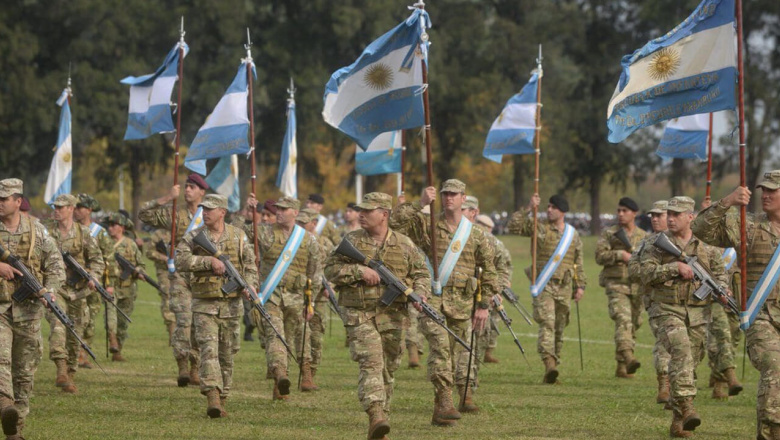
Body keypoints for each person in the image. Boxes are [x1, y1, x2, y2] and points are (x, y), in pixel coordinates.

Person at [390, 179, 499, 425]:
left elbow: (489, 272)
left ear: (463, 198)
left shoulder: (475, 233)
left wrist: (483, 307)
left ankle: (440, 409)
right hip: (432, 300)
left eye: (454, 194)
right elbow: (395, 222)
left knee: (455, 354)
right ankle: (447, 401)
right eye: (445, 193)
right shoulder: (428, 225)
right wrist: (419, 203)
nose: (449, 197)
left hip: (462, 302)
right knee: (440, 349)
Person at [325, 192, 430, 440]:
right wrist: (358, 271)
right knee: (371, 362)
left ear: (384, 214)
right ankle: (375, 415)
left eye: (368, 210)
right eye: (360, 210)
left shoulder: (404, 244)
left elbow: (422, 274)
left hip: (393, 316)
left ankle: (383, 416)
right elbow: (330, 269)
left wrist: (421, 295)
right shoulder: (351, 241)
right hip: (359, 314)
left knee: (388, 369)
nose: (361, 214)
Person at [691, 173, 780, 440]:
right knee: (774, 367)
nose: (765, 194)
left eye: (773, 191)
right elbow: (700, 228)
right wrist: (727, 201)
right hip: (761, 315)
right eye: (763, 190)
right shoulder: (749, 227)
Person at [640, 196, 727, 437]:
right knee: (681, 352)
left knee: (690, 363)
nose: (670, 218)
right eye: (668, 213)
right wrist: (674, 268)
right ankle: (688, 408)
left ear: (691, 216)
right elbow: (645, 273)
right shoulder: (657, 244)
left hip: (698, 313)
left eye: (676, 214)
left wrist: (722, 290)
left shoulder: (706, 245)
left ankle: (678, 421)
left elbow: (720, 273)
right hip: (666, 310)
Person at [175, 194, 257, 418]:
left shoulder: (239, 236)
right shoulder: (194, 236)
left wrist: (250, 286)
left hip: (231, 306)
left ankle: (223, 398)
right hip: (204, 304)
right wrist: (207, 262)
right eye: (204, 208)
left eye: (211, 209)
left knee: (228, 353)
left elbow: (249, 265)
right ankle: (212, 394)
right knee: (208, 350)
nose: (205, 212)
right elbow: (180, 261)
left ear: (223, 211)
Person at [0, 179, 65, 440]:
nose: (0, 203)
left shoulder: (38, 232)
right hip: (0, 309)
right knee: (0, 358)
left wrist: (50, 290)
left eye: (5, 199)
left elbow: (56, 266)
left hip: (28, 312)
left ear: (18, 201)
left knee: (24, 373)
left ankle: (15, 429)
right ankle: (4, 403)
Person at [247, 195, 322, 401]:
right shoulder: (266, 233)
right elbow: (241, 231)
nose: (278, 212)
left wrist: (311, 303)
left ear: (295, 213)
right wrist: (249, 211)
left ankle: (279, 386)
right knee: (274, 335)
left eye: (284, 209)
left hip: (297, 298)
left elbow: (315, 274)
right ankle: (281, 374)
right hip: (272, 296)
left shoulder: (308, 240)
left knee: (287, 339)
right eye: (277, 209)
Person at [507, 194, 586, 384]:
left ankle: (553, 366)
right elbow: (514, 226)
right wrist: (529, 207)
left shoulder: (572, 235)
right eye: (548, 206)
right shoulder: (539, 227)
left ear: (562, 211)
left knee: (559, 327)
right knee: (547, 323)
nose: (549, 209)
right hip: (544, 286)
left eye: (553, 207)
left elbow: (579, 261)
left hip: (565, 286)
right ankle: (548, 363)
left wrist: (580, 285)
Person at [139, 173, 208, 386]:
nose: (187, 190)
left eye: (192, 187)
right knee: (184, 320)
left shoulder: (210, 215)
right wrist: (166, 198)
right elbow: (143, 214)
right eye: (186, 187)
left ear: (202, 192)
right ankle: (182, 366)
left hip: (203, 275)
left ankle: (196, 367)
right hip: (180, 275)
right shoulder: (174, 215)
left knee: (199, 323)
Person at [43, 194, 103, 394]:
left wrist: (94, 277)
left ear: (71, 208)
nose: (57, 210)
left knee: (74, 334)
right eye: (55, 207)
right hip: (56, 288)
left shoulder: (83, 233)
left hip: (78, 291)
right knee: (58, 325)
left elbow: (96, 260)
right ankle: (60, 368)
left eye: (61, 207)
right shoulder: (47, 233)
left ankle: (70, 375)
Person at [595, 197, 646, 378]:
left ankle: (621, 365)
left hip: (637, 287)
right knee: (623, 319)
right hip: (616, 284)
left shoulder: (643, 237)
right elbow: (599, 256)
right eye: (619, 210)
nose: (620, 214)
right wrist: (619, 255)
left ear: (634, 213)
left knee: (635, 322)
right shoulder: (610, 234)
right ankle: (629, 356)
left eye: (625, 211)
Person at [698, 198, 743, 401]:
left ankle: (717, 379)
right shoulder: (705, 241)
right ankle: (730, 378)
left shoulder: (738, 242)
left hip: (736, 298)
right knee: (723, 337)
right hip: (713, 297)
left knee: (733, 339)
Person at [628, 200, 672, 406]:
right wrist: (660, 273)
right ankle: (664, 384)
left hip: (686, 303)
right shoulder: (646, 243)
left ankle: (679, 389)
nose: (654, 219)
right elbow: (634, 270)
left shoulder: (688, 241)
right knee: (664, 343)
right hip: (658, 301)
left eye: (659, 215)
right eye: (652, 215)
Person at [73, 193, 113, 369]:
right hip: (72, 283)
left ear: (89, 210)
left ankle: (83, 352)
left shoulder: (99, 232)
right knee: (74, 317)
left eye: (79, 207)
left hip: (93, 283)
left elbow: (108, 259)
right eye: (74, 207)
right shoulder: (70, 229)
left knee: (90, 318)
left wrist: (108, 283)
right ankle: (72, 352)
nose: (76, 211)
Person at [297, 208, 332, 391]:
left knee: (317, 336)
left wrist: (331, 284)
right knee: (301, 335)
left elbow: (334, 266)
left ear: (314, 224)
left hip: (318, 298)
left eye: (305, 223)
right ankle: (304, 375)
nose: (301, 226)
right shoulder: (293, 243)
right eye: (299, 223)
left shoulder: (325, 243)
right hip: (296, 294)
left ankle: (312, 374)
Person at [103, 213, 145, 362]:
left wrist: (139, 272)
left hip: (128, 288)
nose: (110, 228)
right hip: (110, 287)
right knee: (111, 316)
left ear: (121, 227)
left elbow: (140, 263)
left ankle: (117, 350)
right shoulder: (104, 242)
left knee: (123, 321)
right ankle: (112, 339)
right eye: (109, 225)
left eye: (114, 225)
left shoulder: (130, 244)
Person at [473, 213, 511, 366]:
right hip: (468, 291)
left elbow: (505, 267)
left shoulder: (496, 244)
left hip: (489, 290)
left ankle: (485, 353)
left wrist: (499, 288)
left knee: (487, 325)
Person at [144, 228, 176, 343]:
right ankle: (172, 335)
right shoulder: (159, 234)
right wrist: (165, 258)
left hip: (183, 271)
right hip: (165, 272)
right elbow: (149, 252)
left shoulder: (188, 229)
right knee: (168, 299)